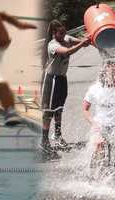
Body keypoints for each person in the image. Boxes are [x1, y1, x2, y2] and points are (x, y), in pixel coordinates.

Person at [40, 19, 90, 154]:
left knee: (59, 109)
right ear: (54, 33)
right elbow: (67, 52)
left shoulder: (66, 38)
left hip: (62, 79)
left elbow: (79, 42)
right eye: (60, 33)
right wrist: (81, 44)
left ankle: (57, 136)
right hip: (52, 80)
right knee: (49, 112)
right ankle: (44, 141)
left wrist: (88, 40)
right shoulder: (53, 45)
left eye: (64, 32)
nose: (63, 35)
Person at [83, 60, 115, 166]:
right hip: (100, 126)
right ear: (104, 73)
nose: (113, 74)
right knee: (98, 146)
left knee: (111, 156)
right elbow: (85, 109)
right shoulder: (94, 89)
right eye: (111, 71)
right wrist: (93, 123)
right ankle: (94, 174)